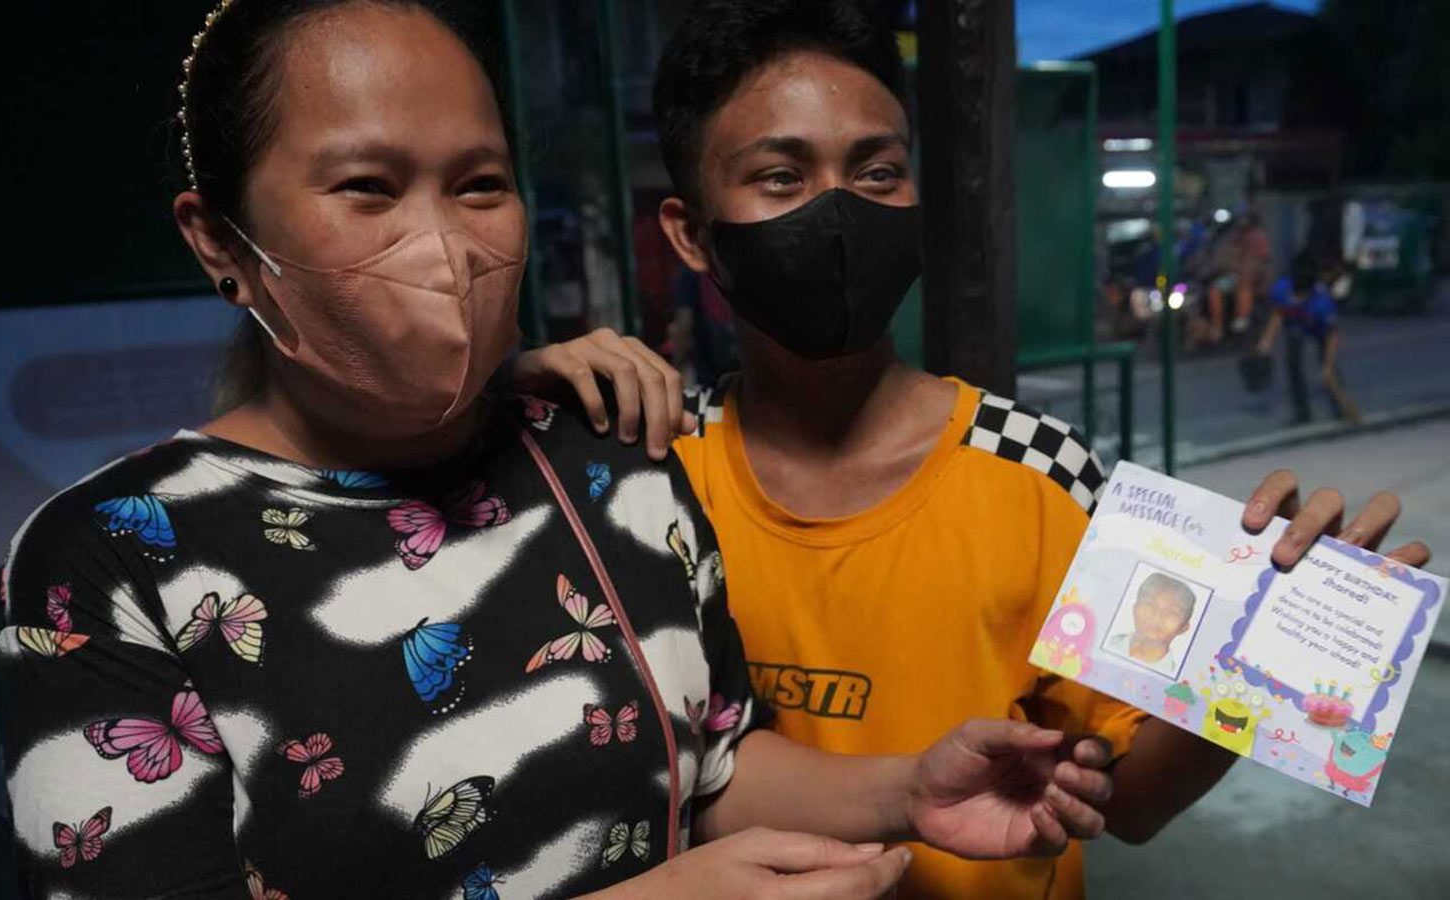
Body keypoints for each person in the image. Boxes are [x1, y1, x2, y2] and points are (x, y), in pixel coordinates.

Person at [0, 2, 1118, 898]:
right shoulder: (114, 559)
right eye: (367, 189)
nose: (442, 244)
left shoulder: (613, 466)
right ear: (219, 241)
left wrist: (905, 791)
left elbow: (713, 768)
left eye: (479, 184)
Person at [510, 2, 1432, 898]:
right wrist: (501, 404)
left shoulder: (1040, 471)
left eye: (877, 172)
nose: (838, 210)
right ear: (690, 235)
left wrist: (1258, 658)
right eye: (781, 177)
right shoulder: (650, 475)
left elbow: (1133, 802)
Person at [1257, 253, 1358, 425]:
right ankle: (1302, 413)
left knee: (1329, 370)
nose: (1296, 299)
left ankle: (1341, 408)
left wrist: (1327, 365)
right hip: (1296, 324)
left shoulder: (1323, 303)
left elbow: (1332, 335)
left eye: (1301, 295)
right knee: (1292, 363)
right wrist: (1266, 340)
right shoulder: (1282, 288)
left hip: (1319, 328)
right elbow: (1279, 312)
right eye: (1294, 294)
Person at [1102, 573, 1198, 676]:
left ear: (1184, 628)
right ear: (1135, 608)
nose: (1157, 615)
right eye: (1150, 604)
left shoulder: (1177, 680)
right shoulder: (1101, 643)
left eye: (1171, 612)